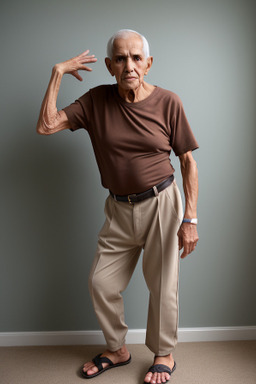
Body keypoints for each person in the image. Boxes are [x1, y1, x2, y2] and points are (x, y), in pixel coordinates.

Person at [36, 29, 199, 384]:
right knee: (101, 283)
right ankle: (118, 348)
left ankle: (163, 352)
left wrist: (191, 218)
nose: (130, 65)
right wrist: (57, 73)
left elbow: (187, 161)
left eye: (137, 58)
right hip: (118, 208)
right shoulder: (95, 101)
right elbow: (46, 126)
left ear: (148, 63)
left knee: (163, 283)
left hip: (162, 203)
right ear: (109, 66)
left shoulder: (169, 102)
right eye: (121, 59)